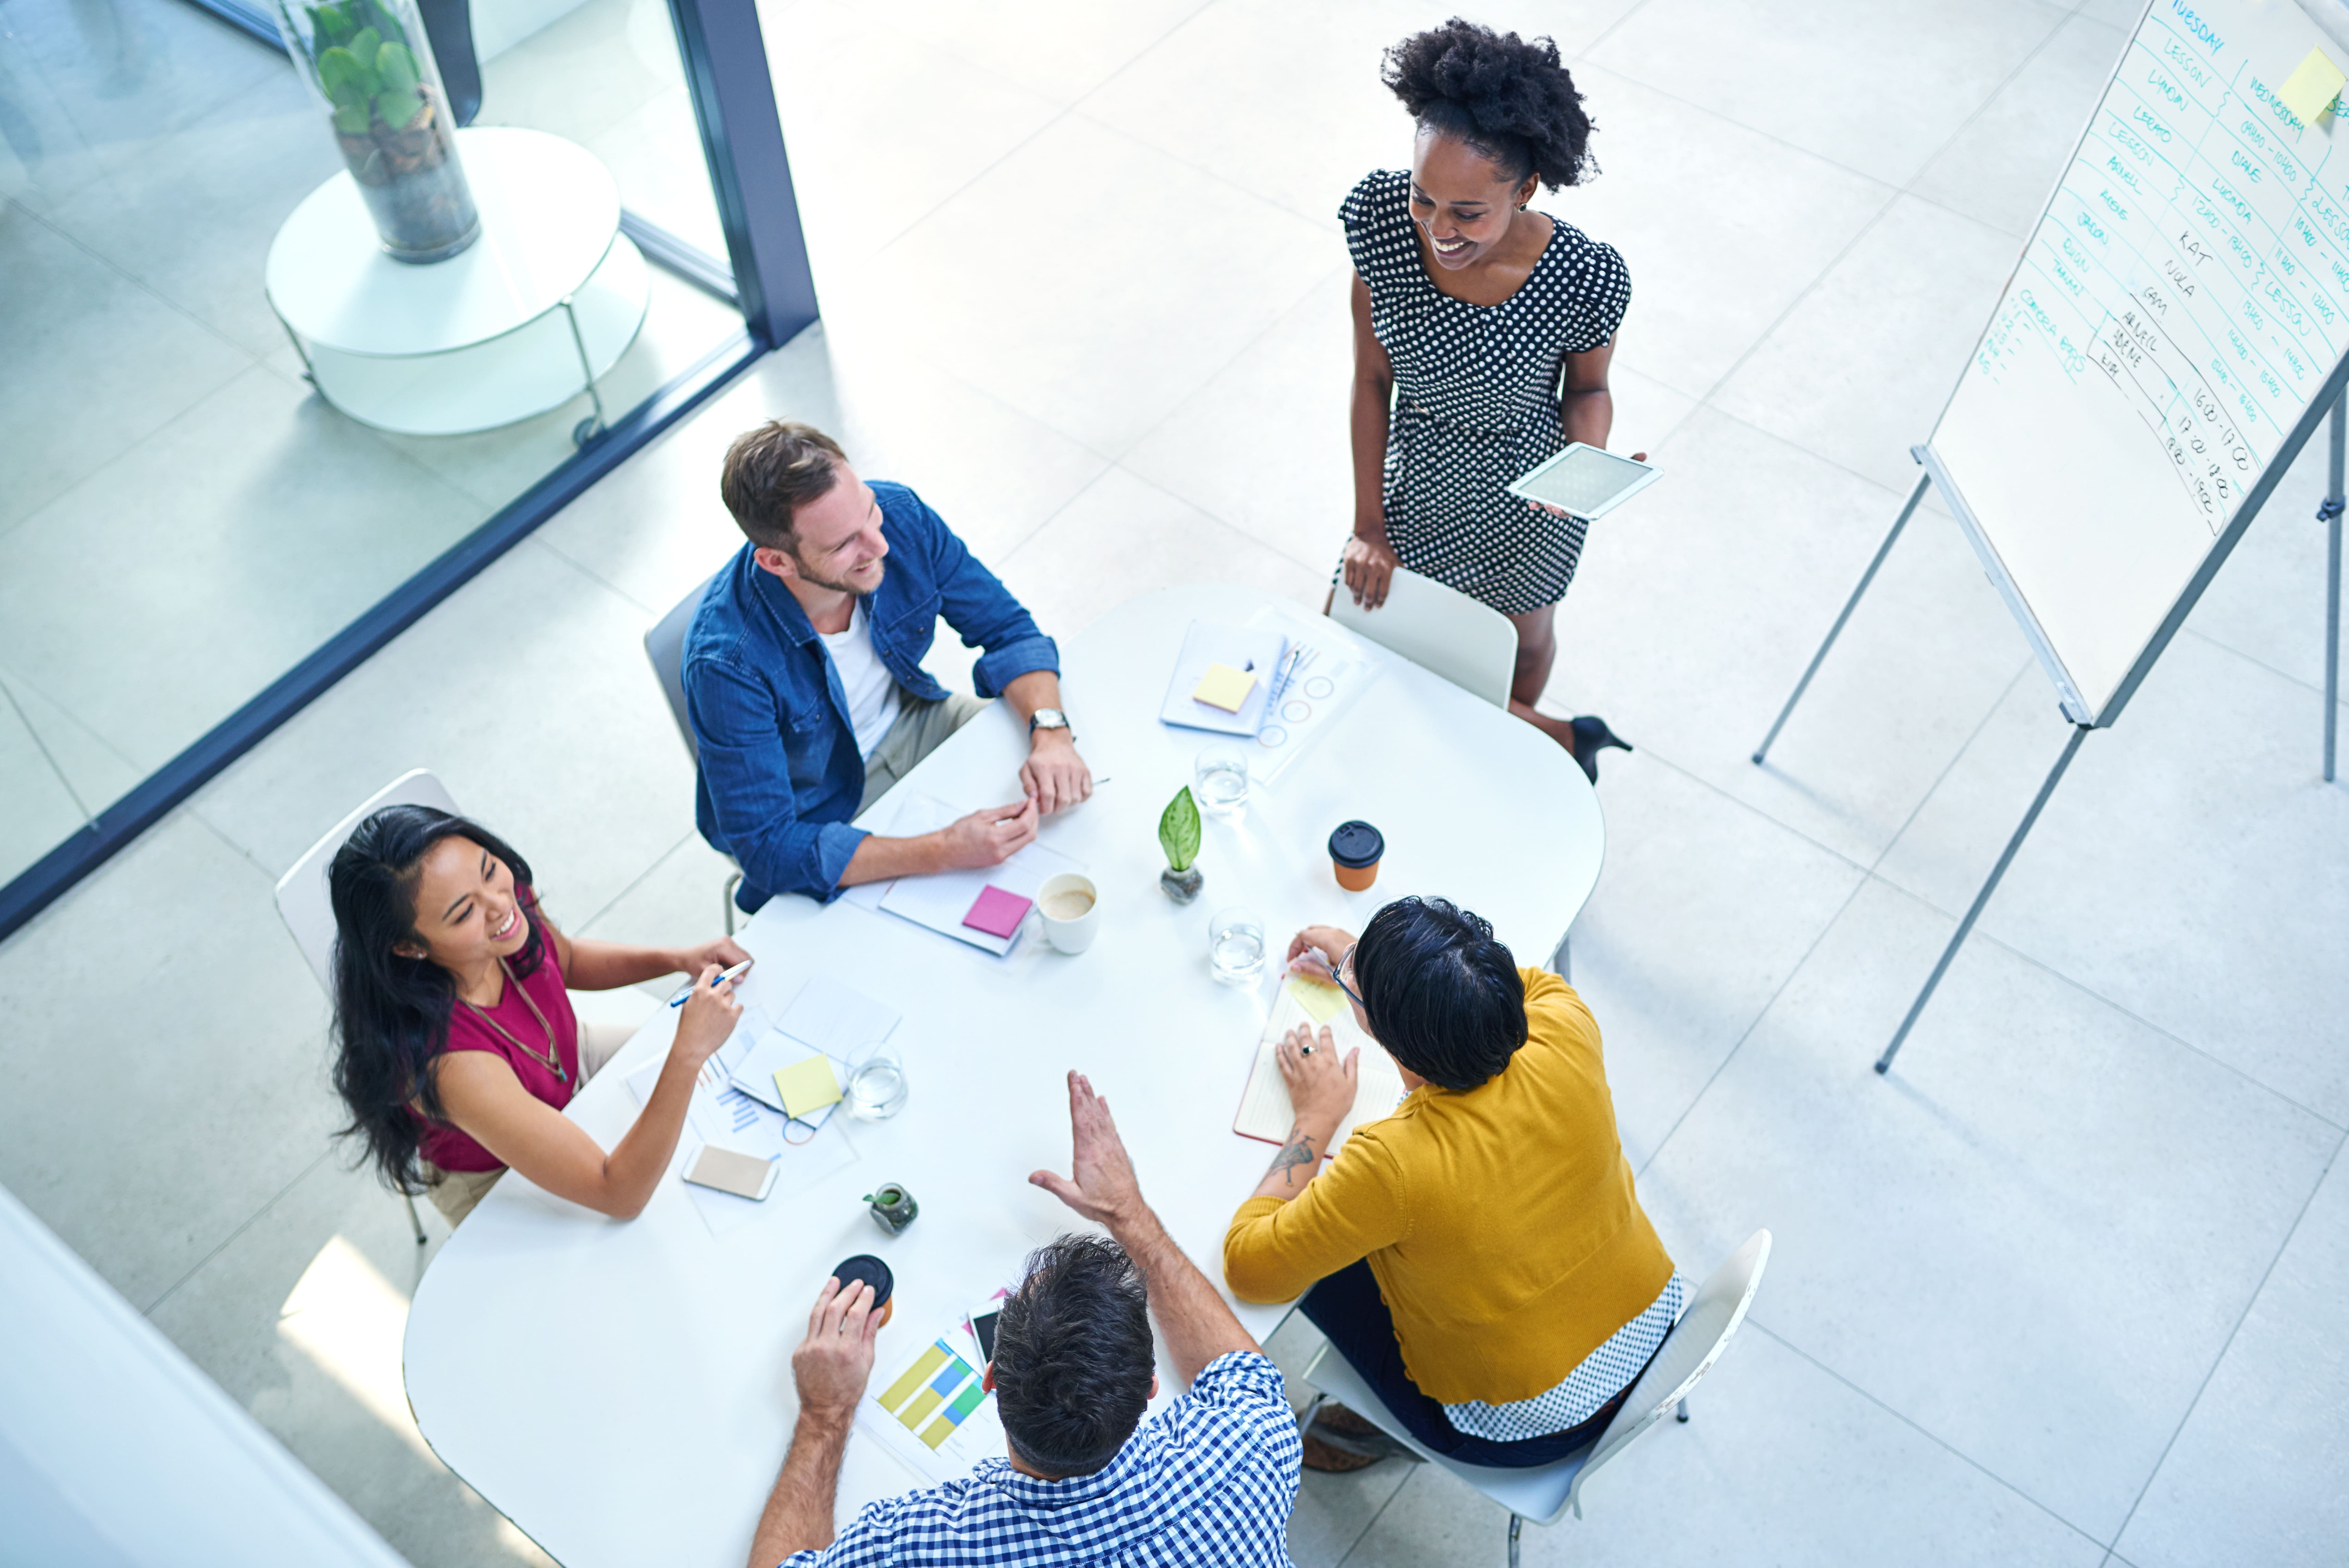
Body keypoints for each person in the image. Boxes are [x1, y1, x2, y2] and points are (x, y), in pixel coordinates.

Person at [744, 1073, 1302, 1567]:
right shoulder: (1248, 1447)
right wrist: (1127, 1212)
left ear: (990, 1379)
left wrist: (825, 1411)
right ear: (1152, 1388)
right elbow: (1239, 1367)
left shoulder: (920, 1546)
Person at [1223, 897, 1684, 1472]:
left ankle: (1366, 1435)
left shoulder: (1392, 1162)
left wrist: (1315, 1117)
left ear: (1374, 1027)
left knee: (1317, 1268)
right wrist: (1372, 969)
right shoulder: (1565, 1020)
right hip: (1655, 1339)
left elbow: (1247, 1266)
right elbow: (1496, 983)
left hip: (1524, 1428)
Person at [1338, 19, 1642, 783]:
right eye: (1424, 199)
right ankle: (1559, 742)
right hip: (1421, 477)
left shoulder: (1581, 275)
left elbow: (1591, 388)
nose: (1438, 231)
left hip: (1529, 489)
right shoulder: (1380, 229)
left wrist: (1586, 459)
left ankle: (1501, 762)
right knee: (1384, 636)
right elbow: (1370, 381)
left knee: (1520, 639)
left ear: (1525, 187)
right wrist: (1367, 525)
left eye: (1466, 213)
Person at [686, 421, 1093, 913]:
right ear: (777, 563)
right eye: (843, 546)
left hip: (920, 721)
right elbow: (768, 848)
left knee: (1076, 819)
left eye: (869, 512)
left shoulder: (899, 516)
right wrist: (943, 851)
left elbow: (1008, 630)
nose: (879, 546)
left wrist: (1051, 732)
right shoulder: (726, 664)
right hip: (818, 811)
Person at [327, 804, 751, 1227]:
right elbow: (618, 1193)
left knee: (731, 1079)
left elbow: (561, 958)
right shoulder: (451, 1063)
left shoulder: (502, 904)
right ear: (409, 947)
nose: (499, 904)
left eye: (489, 869)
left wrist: (676, 958)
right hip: (498, 1175)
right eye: (464, 913)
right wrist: (688, 1052)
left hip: (566, 1058)